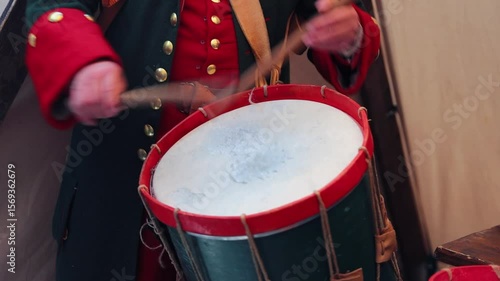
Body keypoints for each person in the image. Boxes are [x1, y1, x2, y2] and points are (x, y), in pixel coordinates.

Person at [25, 0, 380, 280]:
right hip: (119, 203)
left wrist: (350, 33)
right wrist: (82, 62)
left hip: (245, 202)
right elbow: (53, 6)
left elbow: (343, 29)